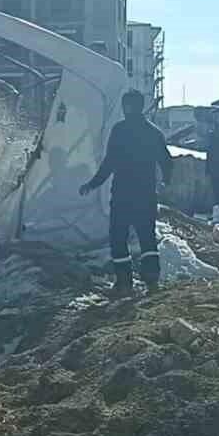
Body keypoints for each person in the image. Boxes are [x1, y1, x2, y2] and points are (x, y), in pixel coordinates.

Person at [79, 89, 173, 295]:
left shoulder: (120, 130)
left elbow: (109, 162)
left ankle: (124, 283)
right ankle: (152, 281)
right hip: (146, 194)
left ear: (128, 107)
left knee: (118, 237)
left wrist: (92, 184)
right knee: (147, 237)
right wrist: (165, 182)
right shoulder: (154, 131)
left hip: (123, 194)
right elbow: (167, 161)